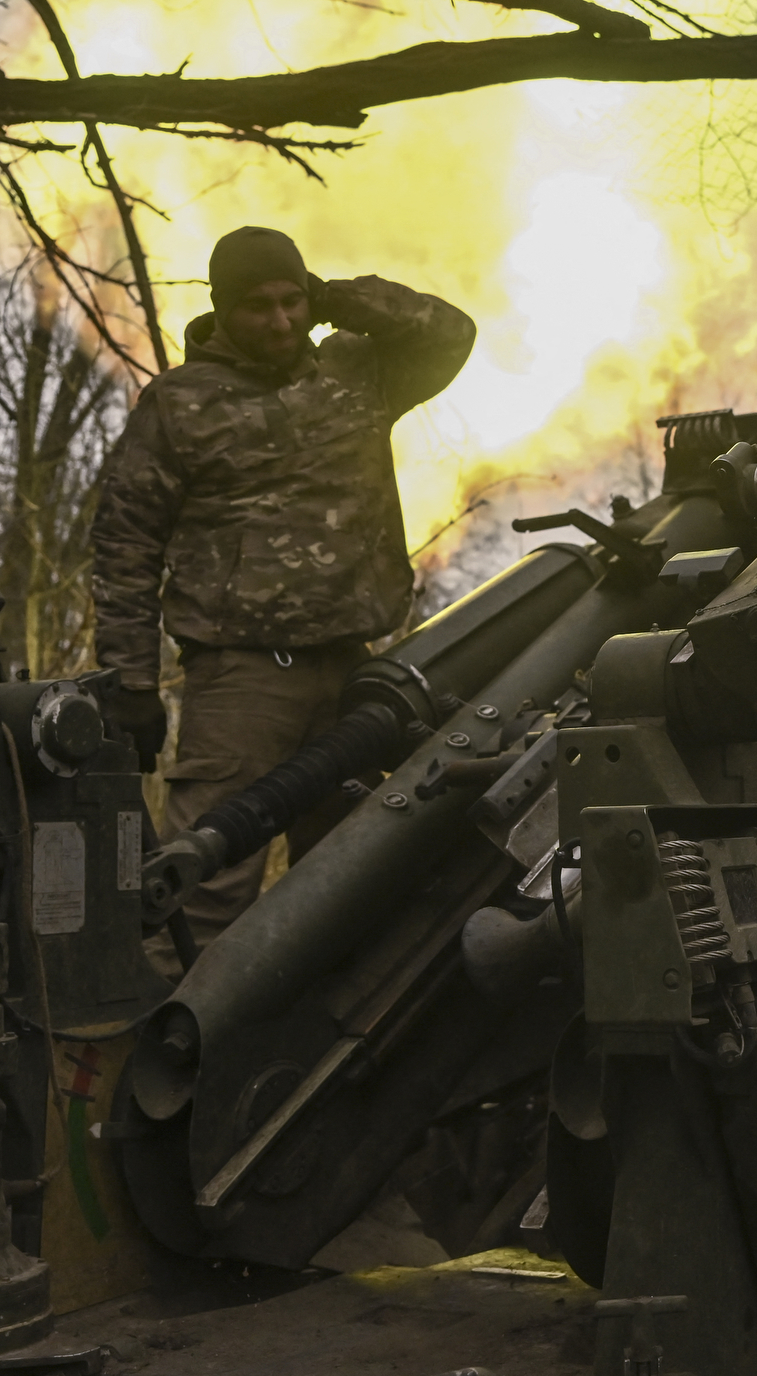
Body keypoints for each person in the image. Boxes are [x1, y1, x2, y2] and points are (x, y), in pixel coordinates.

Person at [89, 226, 475, 936]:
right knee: (198, 887)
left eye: (293, 301)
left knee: (353, 888)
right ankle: (154, 1038)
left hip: (356, 674)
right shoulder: (180, 404)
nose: (281, 321)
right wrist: (130, 682)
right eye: (258, 306)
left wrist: (339, 298)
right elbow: (125, 542)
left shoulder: (358, 373)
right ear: (223, 309)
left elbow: (450, 332)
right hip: (241, 683)